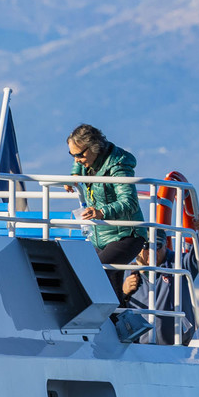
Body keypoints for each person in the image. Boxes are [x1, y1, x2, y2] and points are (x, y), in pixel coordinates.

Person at [67, 123, 145, 301]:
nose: (77, 159)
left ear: (94, 148)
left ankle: (113, 321)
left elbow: (129, 202)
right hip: (101, 236)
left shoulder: (118, 166)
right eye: (72, 155)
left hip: (127, 234)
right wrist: (74, 175)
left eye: (80, 155)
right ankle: (119, 323)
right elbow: (78, 162)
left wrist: (102, 212)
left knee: (98, 272)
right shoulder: (89, 160)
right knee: (106, 283)